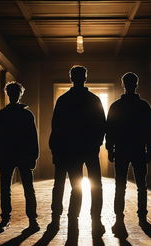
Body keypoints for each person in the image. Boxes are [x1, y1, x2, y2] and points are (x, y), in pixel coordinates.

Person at [48, 65, 106, 234]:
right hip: (90, 148)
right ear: (85, 78)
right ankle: (95, 221)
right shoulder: (94, 99)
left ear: (71, 78)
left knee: (75, 186)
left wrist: (56, 149)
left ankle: (68, 219)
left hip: (70, 149)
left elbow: (56, 127)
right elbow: (102, 125)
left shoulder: (63, 100)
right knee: (96, 185)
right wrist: (96, 143)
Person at [106, 72, 151, 238]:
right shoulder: (143, 106)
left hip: (121, 150)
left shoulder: (116, 106)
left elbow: (110, 129)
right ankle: (142, 217)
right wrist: (150, 149)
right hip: (138, 149)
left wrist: (110, 149)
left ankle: (119, 219)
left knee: (120, 186)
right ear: (136, 84)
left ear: (123, 84)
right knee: (142, 185)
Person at [0, 81, 39, 233]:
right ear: (20, 95)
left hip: (7, 155)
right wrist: (34, 156)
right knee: (28, 188)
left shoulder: (2, 114)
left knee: (6, 188)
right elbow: (33, 137)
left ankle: (6, 219)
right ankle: (32, 220)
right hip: (23, 154)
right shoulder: (26, 114)